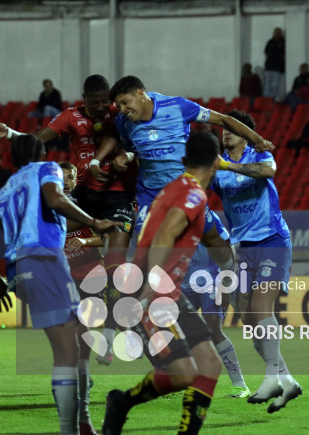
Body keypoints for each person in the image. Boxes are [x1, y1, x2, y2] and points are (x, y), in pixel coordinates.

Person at [0, 134, 119, 435]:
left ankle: (83, 422)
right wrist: (95, 221)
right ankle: (72, 429)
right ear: (42, 153)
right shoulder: (47, 169)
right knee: (68, 351)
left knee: (76, 345)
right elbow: (55, 198)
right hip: (43, 261)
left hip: (18, 272)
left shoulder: (3, 190)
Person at [0, 75, 137, 363]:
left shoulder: (119, 113)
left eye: (105, 100)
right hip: (83, 194)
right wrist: (11, 134)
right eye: (94, 102)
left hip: (119, 194)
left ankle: (109, 333)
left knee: (117, 263)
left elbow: (138, 140)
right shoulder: (71, 117)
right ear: (84, 98)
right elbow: (37, 141)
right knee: (57, 232)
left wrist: (127, 157)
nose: (101, 106)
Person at [102, 131, 225, 435]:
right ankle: (121, 402)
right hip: (154, 288)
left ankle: (128, 407)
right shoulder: (194, 194)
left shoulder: (175, 187)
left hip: (168, 292)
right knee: (183, 373)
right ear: (217, 163)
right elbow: (166, 234)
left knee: (209, 365)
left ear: (184, 160)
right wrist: (152, 284)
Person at [91, 75, 274, 239]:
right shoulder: (123, 121)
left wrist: (257, 140)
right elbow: (128, 146)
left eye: (124, 102)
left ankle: (226, 265)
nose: (122, 109)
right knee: (148, 239)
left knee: (212, 239)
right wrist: (123, 156)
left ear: (140, 93)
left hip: (183, 186)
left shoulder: (177, 107)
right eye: (119, 105)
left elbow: (223, 120)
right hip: (149, 192)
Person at [211, 110, 302, 412]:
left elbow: (267, 173)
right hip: (243, 247)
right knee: (250, 320)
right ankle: (287, 380)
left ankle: (271, 377)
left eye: (234, 130)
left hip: (272, 239)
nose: (227, 133)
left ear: (247, 133)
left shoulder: (258, 153)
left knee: (262, 308)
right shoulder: (217, 167)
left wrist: (226, 164)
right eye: (224, 130)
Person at [181, 209, 249, 399]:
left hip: (211, 279)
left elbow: (228, 250)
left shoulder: (209, 218)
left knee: (213, 328)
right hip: (184, 282)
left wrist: (226, 285)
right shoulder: (172, 219)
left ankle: (239, 384)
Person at [58, 162, 101, 435]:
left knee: (86, 331)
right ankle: (82, 375)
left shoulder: (87, 204)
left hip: (92, 275)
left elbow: (107, 236)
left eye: (70, 177)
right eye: (61, 178)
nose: (66, 182)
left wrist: (85, 241)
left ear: (76, 179)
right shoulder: (51, 206)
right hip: (65, 278)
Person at [263, 27, 286, 100]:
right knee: (267, 83)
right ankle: (266, 98)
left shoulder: (283, 42)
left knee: (275, 84)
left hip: (278, 67)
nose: (277, 34)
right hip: (269, 66)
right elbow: (266, 52)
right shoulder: (270, 42)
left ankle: (272, 98)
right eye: (275, 32)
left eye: (278, 32)